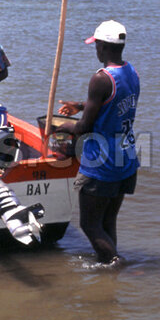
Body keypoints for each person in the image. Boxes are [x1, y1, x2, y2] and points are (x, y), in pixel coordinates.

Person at [57, 20, 140, 265]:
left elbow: (84, 127)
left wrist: (62, 127)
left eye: (97, 45)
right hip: (125, 158)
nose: (96, 50)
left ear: (103, 46)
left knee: (89, 224)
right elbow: (111, 104)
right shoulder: (131, 72)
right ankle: (108, 272)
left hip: (101, 164)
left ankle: (114, 262)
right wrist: (81, 106)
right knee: (107, 221)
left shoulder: (101, 78)